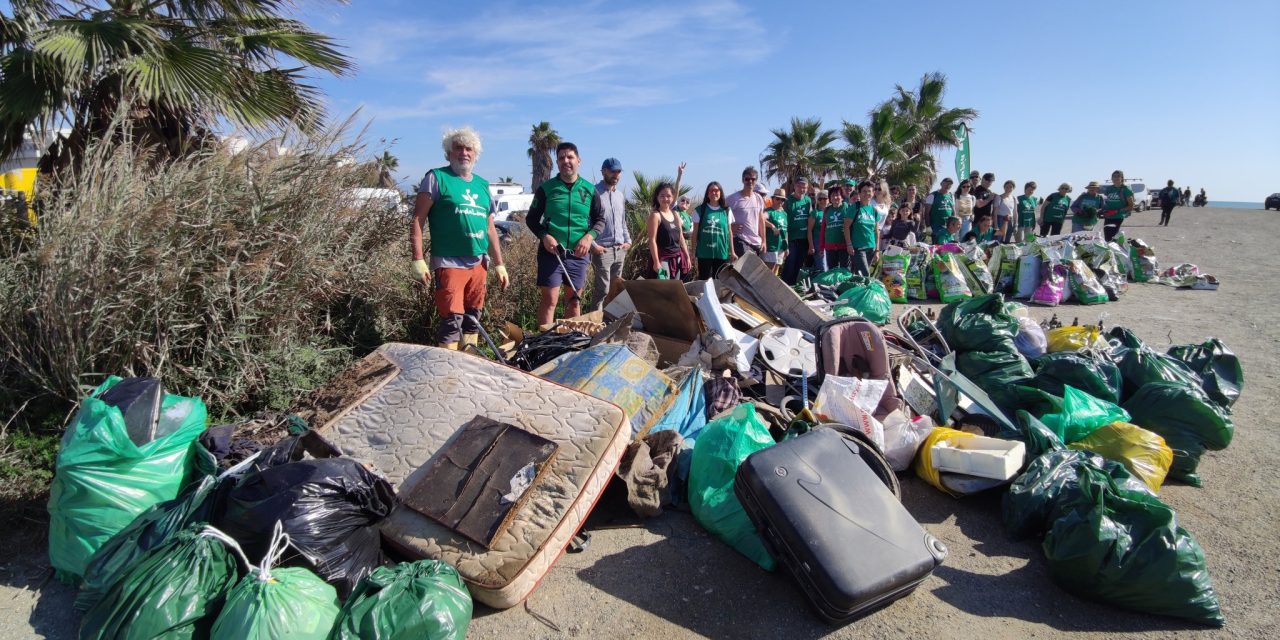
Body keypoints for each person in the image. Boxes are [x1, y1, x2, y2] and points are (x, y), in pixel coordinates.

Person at [410, 127, 511, 350]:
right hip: (449, 262)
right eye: (458, 148)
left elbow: (490, 229)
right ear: (449, 153)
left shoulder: (483, 185)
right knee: (451, 321)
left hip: (479, 262)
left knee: (473, 319)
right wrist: (418, 259)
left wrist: (500, 264)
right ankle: (448, 375)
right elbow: (418, 219)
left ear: (475, 154)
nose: (464, 153)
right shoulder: (436, 178)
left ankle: (468, 367)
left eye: (469, 149)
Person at [526, 141, 605, 328]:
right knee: (550, 300)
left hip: (578, 254)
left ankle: (570, 342)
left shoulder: (589, 189)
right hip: (551, 253)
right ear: (557, 162)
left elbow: (600, 219)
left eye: (570, 157)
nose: (566, 161)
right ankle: (543, 343)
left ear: (579, 160)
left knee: (574, 300)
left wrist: (589, 237)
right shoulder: (546, 188)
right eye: (561, 158)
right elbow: (531, 219)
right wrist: (544, 236)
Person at [589, 157, 631, 309]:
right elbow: (586, 222)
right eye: (612, 171)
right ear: (603, 172)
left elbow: (622, 221)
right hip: (602, 250)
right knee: (602, 290)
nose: (616, 175)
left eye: (618, 171)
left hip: (620, 249)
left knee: (616, 290)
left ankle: (610, 323)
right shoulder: (593, 193)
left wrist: (628, 241)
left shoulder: (620, 195)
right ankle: (595, 326)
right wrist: (593, 245)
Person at [645, 182, 691, 281]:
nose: (665, 199)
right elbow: (652, 240)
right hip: (663, 259)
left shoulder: (676, 214)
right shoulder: (655, 215)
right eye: (662, 196)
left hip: (677, 257)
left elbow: (681, 237)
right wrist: (656, 262)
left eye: (668, 196)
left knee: (675, 287)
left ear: (672, 197)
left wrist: (687, 256)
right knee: (664, 288)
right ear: (657, 197)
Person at [691, 181, 737, 277]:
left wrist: (732, 252)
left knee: (719, 282)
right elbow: (694, 233)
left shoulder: (727, 211)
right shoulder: (700, 210)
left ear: (720, 192)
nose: (714, 193)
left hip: (721, 253)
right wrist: (693, 252)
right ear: (707, 193)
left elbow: (729, 232)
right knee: (704, 281)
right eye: (711, 191)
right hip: (704, 253)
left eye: (716, 190)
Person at [726, 166, 766, 258]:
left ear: (756, 181)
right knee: (746, 269)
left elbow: (761, 220)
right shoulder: (732, 198)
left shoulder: (758, 198)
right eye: (747, 179)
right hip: (740, 239)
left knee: (750, 271)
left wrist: (764, 241)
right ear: (743, 180)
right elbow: (720, 214)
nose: (750, 181)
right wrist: (730, 227)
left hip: (756, 242)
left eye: (753, 179)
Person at [781, 177, 814, 284]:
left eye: (804, 187)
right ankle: (785, 285)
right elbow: (783, 219)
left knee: (799, 264)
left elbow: (811, 217)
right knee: (790, 263)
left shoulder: (808, 200)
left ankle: (794, 287)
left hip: (804, 238)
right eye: (799, 186)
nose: (801, 189)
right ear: (794, 187)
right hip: (791, 238)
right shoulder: (787, 201)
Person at [845, 181, 879, 277]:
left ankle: (855, 291)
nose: (867, 194)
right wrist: (849, 244)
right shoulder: (854, 208)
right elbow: (846, 227)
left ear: (873, 193)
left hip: (871, 248)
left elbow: (876, 231)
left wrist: (877, 250)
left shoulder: (874, 210)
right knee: (865, 274)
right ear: (859, 193)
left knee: (858, 275)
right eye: (864, 191)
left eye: (869, 191)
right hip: (858, 248)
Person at [1100, 169, 1135, 241]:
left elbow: (1131, 206)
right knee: (1107, 237)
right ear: (1111, 178)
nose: (1115, 178)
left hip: (1118, 216)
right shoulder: (1109, 189)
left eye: (1118, 176)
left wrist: (1117, 211)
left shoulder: (1126, 189)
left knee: (1112, 237)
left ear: (1122, 178)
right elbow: (1105, 202)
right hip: (1108, 216)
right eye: (1114, 176)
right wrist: (1102, 210)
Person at [821, 187, 849, 269]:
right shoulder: (827, 210)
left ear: (842, 197)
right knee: (832, 271)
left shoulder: (847, 207)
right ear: (829, 198)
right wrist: (821, 247)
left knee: (845, 271)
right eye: (832, 195)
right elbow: (823, 229)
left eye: (837, 195)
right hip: (830, 246)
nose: (835, 197)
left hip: (844, 246)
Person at [763, 188, 789, 274]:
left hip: (781, 246)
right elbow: (761, 219)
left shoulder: (785, 214)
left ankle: (771, 287)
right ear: (773, 199)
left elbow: (786, 231)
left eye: (782, 199)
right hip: (771, 246)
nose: (780, 201)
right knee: (768, 272)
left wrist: (786, 247)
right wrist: (772, 226)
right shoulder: (769, 211)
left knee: (776, 272)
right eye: (777, 198)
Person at [807, 190, 830, 272]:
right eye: (820, 199)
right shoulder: (815, 213)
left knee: (830, 266)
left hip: (830, 242)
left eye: (825, 198)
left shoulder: (831, 211)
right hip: (818, 242)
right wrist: (811, 245)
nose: (823, 201)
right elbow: (809, 230)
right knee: (822, 267)